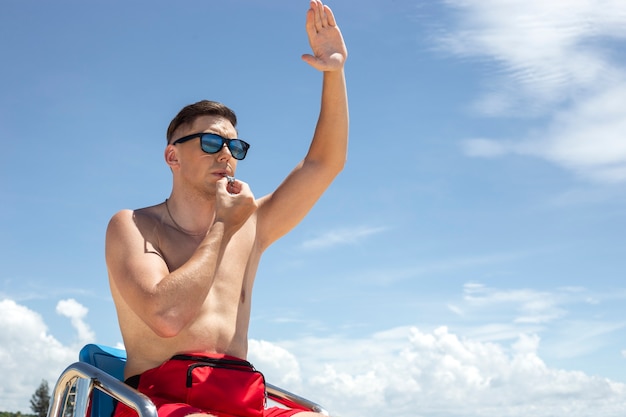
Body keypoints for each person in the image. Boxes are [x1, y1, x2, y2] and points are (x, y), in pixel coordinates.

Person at [105, 1, 348, 417]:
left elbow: (322, 164)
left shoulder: (251, 224)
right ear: (172, 157)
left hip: (239, 395)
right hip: (157, 398)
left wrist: (334, 73)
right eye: (211, 143)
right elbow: (166, 317)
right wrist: (223, 225)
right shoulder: (134, 225)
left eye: (234, 147)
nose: (226, 155)